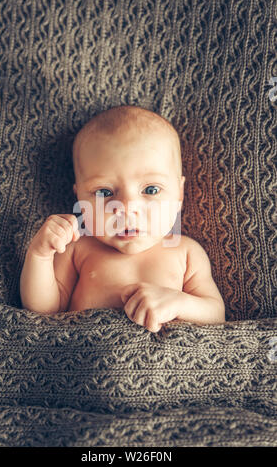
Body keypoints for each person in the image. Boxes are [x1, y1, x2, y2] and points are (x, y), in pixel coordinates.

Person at [20, 106, 225, 332]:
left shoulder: (185, 252)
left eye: (151, 189)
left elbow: (216, 315)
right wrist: (39, 255)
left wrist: (179, 302)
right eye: (104, 193)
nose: (127, 208)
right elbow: (45, 311)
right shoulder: (77, 248)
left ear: (179, 193)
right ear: (79, 196)